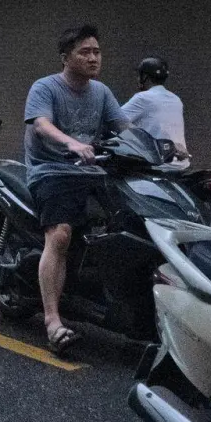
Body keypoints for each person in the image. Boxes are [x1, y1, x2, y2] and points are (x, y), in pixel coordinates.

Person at [23, 24, 130, 354]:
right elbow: (41, 124)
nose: (93, 57)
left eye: (97, 52)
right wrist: (72, 143)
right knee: (61, 234)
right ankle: (53, 321)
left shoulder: (101, 92)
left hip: (91, 173)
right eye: (85, 52)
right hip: (51, 171)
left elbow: (127, 129)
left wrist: (165, 147)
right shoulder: (45, 88)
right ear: (65, 57)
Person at [121, 56, 189, 168]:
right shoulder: (176, 99)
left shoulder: (143, 98)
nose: (137, 79)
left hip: (157, 166)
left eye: (139, 75)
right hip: (181, 164)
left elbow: (115, 120)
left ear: (145, 77)